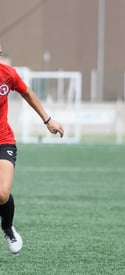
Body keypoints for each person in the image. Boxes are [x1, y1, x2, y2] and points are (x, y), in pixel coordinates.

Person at [0, 44, 64, 254]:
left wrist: (48, 119)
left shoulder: (8, 74)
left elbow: (27, 94)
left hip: (3, 140)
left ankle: (8, 227)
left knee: (1, 193)